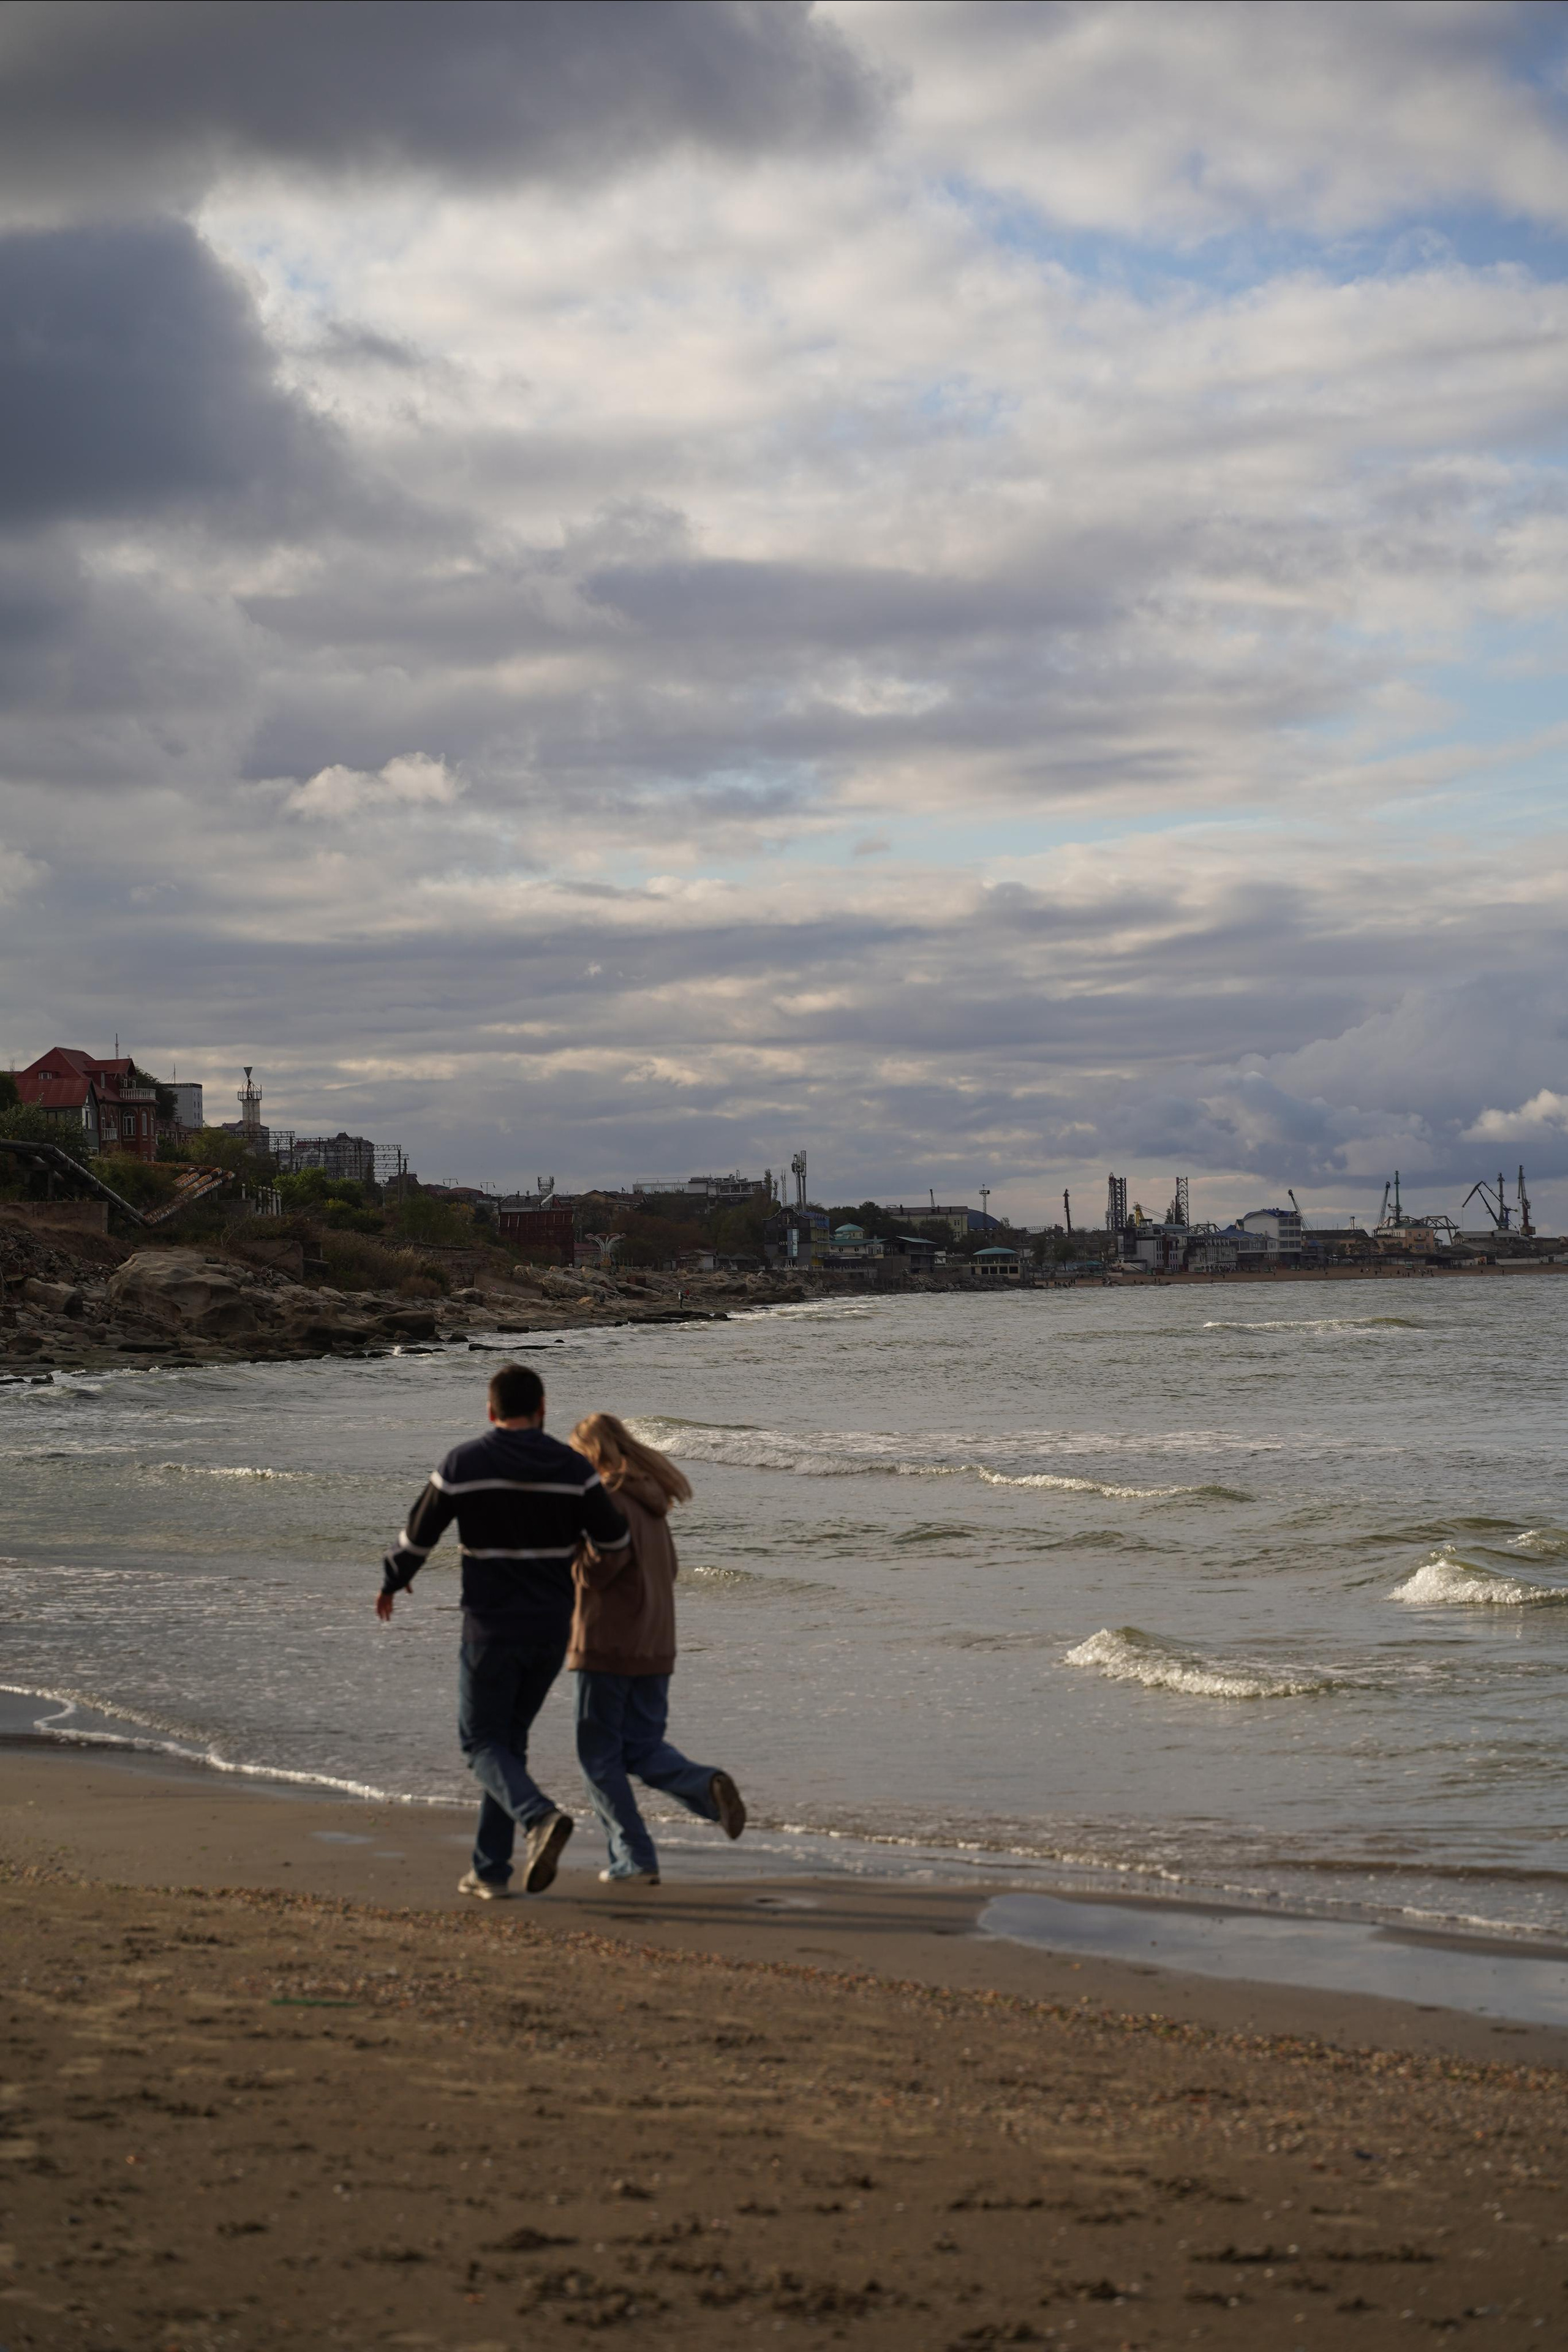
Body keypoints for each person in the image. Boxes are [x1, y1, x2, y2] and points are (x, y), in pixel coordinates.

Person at [377, 1362, 631, 1900]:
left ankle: (538, 1819)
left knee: (479, 1742)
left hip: (491, 1627)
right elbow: (614, 1540)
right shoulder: (573, 1469)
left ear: (491, 1412)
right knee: (507, 1743)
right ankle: (490, 1870)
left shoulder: (464, 1463)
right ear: (541, 1411)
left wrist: (393, 1582)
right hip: (552, 1628)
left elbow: (418, 1536)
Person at [567, 1411, 745, 1885]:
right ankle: (705, 1788)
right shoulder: (653, 1503)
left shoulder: (606, 1500)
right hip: (655, 1643)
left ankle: (634, 1857)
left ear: (592, 1453)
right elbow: (667, 1572)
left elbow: (598, 1567)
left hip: (608, 1642)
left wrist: (571, 1555)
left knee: (598, 1756)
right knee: (641, 1749)